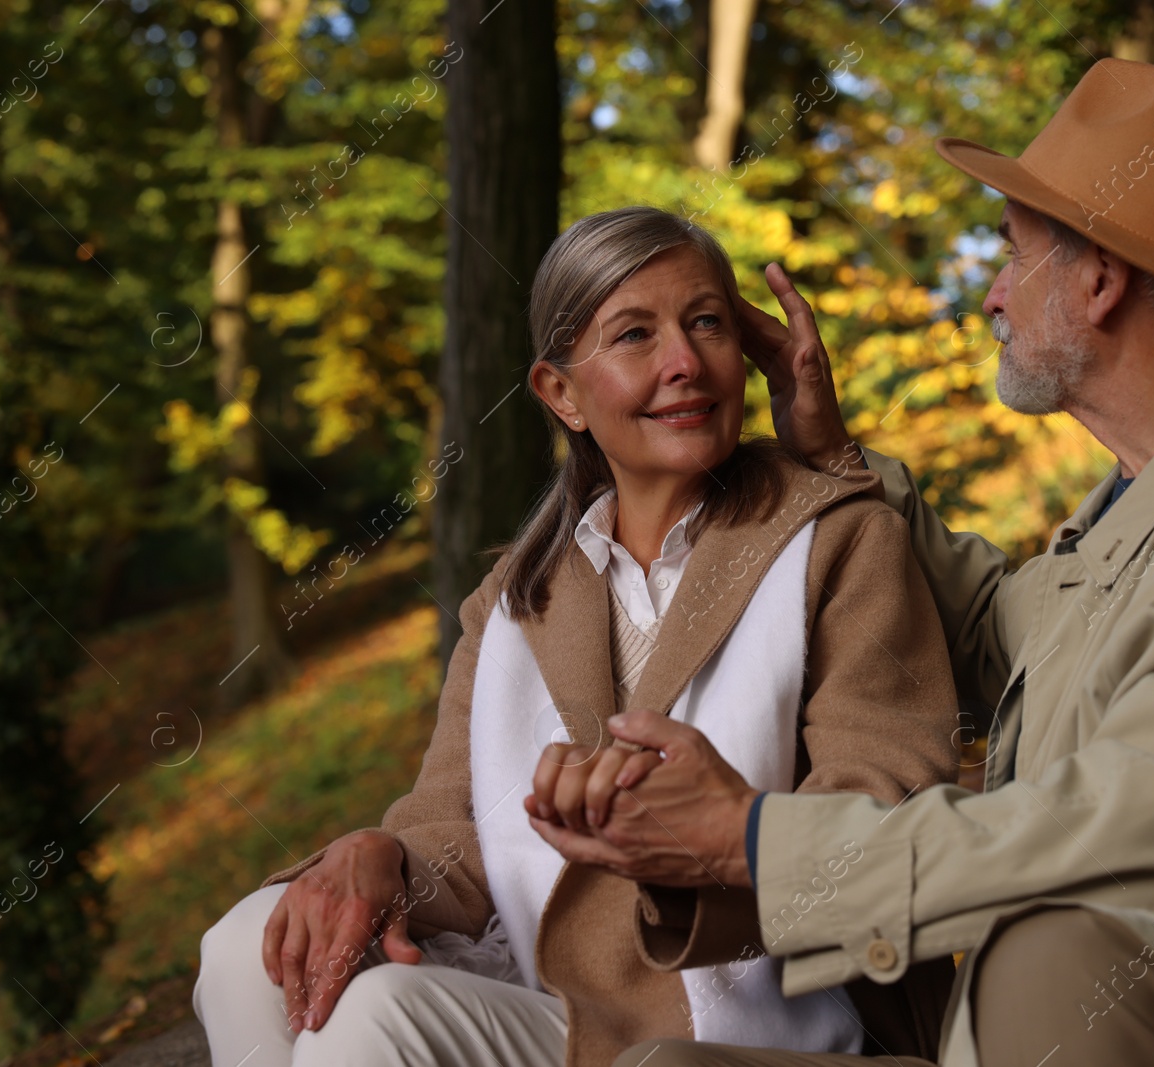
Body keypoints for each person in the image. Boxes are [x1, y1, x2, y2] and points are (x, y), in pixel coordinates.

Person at [529, 60, 1154, 1067]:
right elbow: (988, 633)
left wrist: (750, 839)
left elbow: (1113, 851)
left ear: (1098, 279)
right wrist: (830, 458)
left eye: (1011, 253)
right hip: (1070, 1019)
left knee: (1052, 953)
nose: (993, 293)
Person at [192, 206, 962, 1067]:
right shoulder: (513, 598)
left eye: (706, 322)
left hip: (771, 1025)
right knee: (242, 948)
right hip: (559, 1004)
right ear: (561, 393)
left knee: (375, 1018)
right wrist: (381, 855)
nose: (684, 362)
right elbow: (459, 837)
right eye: (635, 334)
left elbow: (885, 809)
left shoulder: (840, 539)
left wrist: (706, 832)